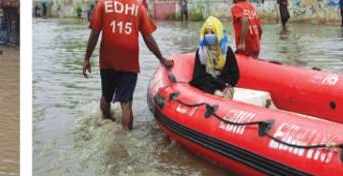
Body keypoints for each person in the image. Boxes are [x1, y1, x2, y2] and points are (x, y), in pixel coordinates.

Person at [83, 0, 173, 130]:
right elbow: (148, 39)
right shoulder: (139, 8)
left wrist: (87, 58)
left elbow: (94, 34)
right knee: (126, 103)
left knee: (106, 96)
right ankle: (125, 138)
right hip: (129, 61)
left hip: (108, 59)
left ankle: (106, 123)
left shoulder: (103, 4)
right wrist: (161, 59)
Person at [190, 17, 239, 98]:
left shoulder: (226, 51)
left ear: (218, 33)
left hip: (225, 85)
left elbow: (235, 75)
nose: (209, 35)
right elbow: (198, 77)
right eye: (206, 32)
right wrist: (214, 90)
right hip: (208, 87)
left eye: (212, 32)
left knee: (226, 94)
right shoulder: (201, 52)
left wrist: (226, 86)